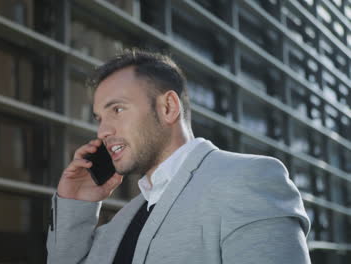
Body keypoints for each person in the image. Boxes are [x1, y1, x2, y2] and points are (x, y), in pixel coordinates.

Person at [46, 49, 311, 264]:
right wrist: (76, 203)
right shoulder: (125, 219)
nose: (103, 131)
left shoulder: (247, 179)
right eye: (100, 119)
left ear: (168, 107)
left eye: (117, 109)